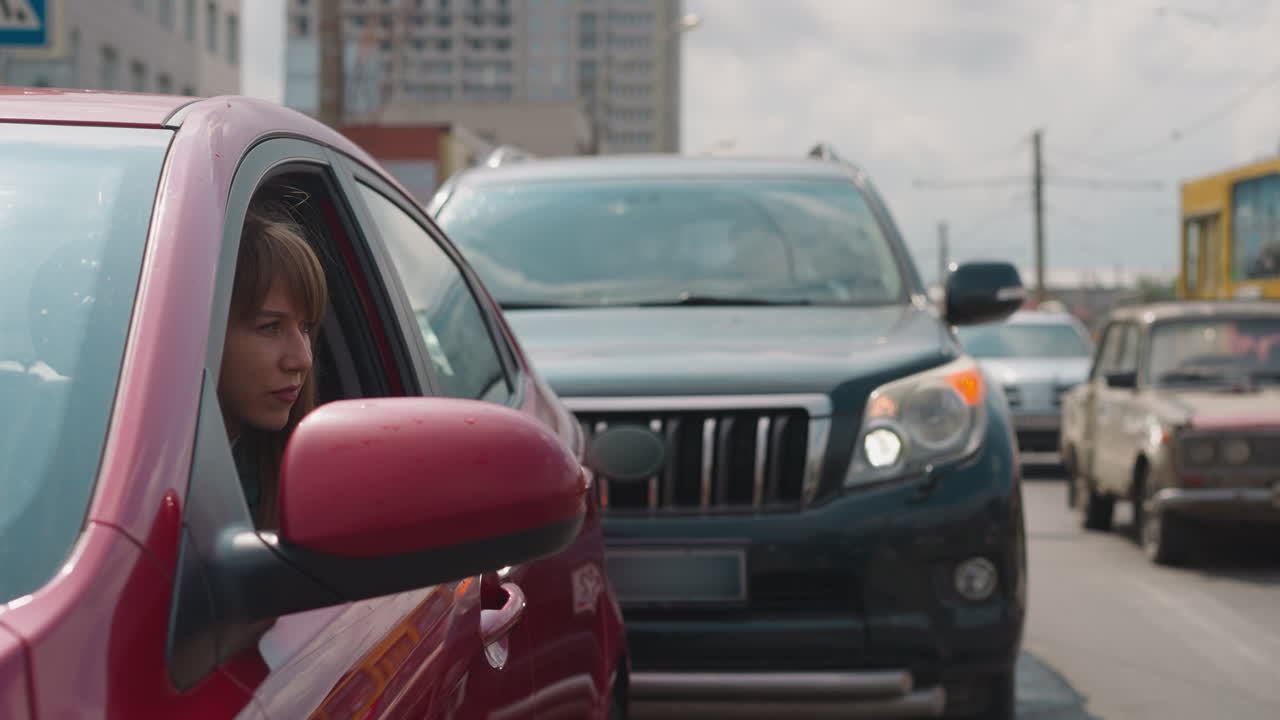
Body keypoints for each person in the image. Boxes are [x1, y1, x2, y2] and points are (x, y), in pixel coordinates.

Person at [217, 197, 328, 529]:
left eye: (306, 328)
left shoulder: (296, 477)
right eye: (270, 327)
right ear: (205, 329)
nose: (303, 359)